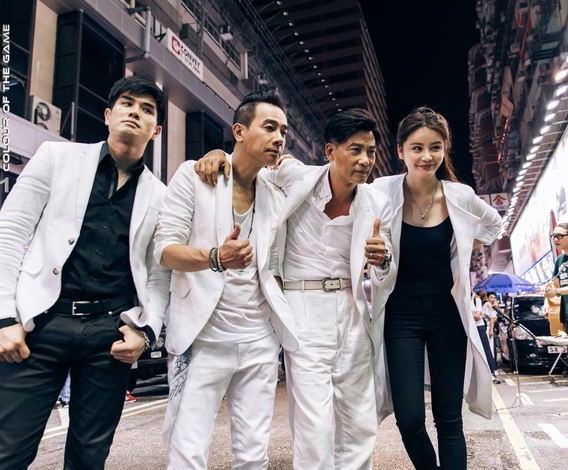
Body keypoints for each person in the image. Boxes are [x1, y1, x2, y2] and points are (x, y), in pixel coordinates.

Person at [0, 76, 171, 470]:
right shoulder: (55, 157)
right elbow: (8, 233)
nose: (135, 112)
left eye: (147, 109)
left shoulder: (161, 195)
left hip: (110, 335)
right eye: (127, 103)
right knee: (3, 457)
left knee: (88, 459)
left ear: (157, 130)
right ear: (108, 115)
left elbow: (159, 273)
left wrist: (147, 331)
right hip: (40, 326)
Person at [194, 108, 396, 470]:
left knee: (360, 423)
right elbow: (249, 165)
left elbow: (387, 272)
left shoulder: (378, 203)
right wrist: (219, 154)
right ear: (330, 151)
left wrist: (383, 260)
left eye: (370, 151)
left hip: (353, 311)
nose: (365, 160)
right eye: (355, 150)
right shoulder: (295, 176)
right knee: (313, 427)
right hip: (303, 310)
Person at [154, 90, 298, 469]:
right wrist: (216, 257)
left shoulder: (276, 194)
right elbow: (165, 250)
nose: (279, 138)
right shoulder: (195, 176)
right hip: (202, 339)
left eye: (283, 131)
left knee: (253, 456)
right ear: (239, 131)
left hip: (259, 342)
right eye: (270, 127)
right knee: (187, 455)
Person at [370, 107, 502, 470]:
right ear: (400, 151)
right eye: (417, 148)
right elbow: (338, 181)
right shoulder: (381, 191)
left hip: (448, 314)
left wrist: (463, 245)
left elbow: (495, 225)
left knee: (449, 420)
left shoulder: (460, 194)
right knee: (409, 419)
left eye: (435, 147)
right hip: (400, 316)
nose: (426, 156)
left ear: (445, 149)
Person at [546, 222, 568, 332]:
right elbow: (555, 284)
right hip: (565, 314)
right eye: (554, 236)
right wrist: (547, 300)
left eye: (560, 236)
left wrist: (557, 292)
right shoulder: (560, 259)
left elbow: (557, 290)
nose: (555, 239)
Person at [476, 290, 500, 384]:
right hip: (485, 327)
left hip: (487, 328)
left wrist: (490, 329)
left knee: (489, 349)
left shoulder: (487, 304)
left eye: (494, 297)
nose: (493, 299)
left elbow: (492, 317)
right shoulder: (483, 304)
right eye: (491, 297)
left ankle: (493, 371)